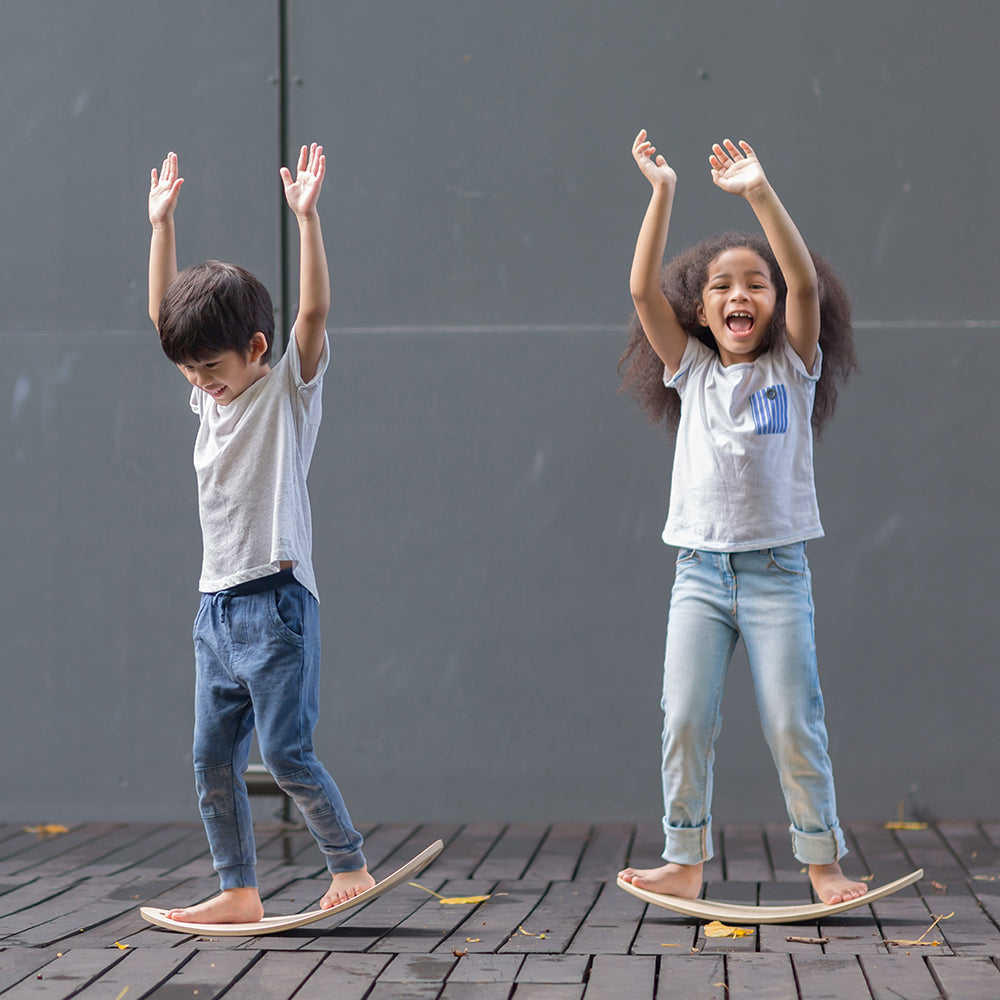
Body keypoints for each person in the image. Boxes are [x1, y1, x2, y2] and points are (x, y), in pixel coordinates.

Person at [616, 132, 865, 905]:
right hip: (699, 576)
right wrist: (662, 193)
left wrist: (758, 191)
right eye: (723, 286)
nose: (740, 296)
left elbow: (806, 283)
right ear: (701, 309)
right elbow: (641, 293)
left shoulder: (794, 366)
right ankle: (684, 859)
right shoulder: (689, 369)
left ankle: (823, 863)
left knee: (794, 721)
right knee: (685, 719)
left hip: (775, 575)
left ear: (775, 304)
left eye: (756, 284)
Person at [147, 144, 375, 924]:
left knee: (284, 754)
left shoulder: (285, 394)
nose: (200, 382)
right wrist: (161, 226)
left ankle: (348, 865)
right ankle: (238, 890)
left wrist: (307, 220)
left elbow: (312, 315)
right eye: (189, 371)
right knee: (210, 758)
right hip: (214, 609)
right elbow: (163, 320)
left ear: (255, 350)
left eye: (210, 367)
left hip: (277, 602)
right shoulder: (207, 398)